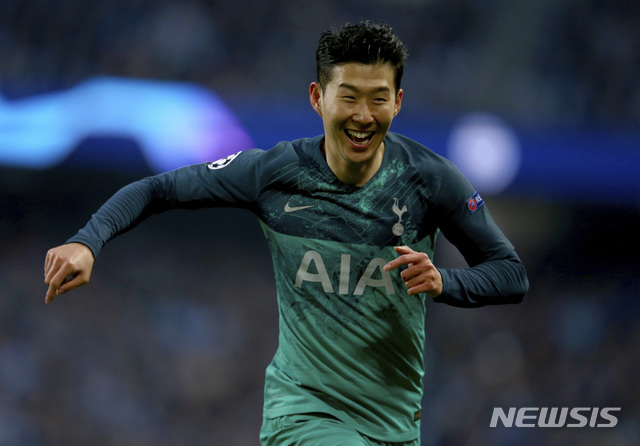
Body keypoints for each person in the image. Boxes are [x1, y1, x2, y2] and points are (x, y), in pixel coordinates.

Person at [44, 21, 528, 445]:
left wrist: (445, 282)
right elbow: (159, 189)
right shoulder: (276, 173)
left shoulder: (430, 179)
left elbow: (510, 274)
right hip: (303, 417)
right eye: (348, 97)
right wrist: (88, 240)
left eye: (378, 98)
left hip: (396, 426)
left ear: (397, 102)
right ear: (318, 98)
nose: (363, 115)